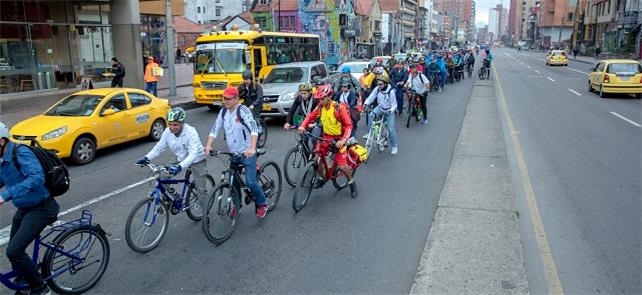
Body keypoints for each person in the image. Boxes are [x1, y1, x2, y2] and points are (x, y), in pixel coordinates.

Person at [0, 122, 59, 295]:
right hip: (25, 208)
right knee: (14, 249)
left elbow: (36, 178)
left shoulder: (21, 153)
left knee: (14, 251)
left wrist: (5, 195)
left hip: (42, 207)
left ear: (2, 141)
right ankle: (24, 278)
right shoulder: (2, 159)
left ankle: (40, 288)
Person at [205, 87, 268, 219]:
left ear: (236, 99)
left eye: (228, 99)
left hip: (247, 152)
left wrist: (252, 148)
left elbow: (254, 129)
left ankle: (262, 203)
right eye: (224, 98)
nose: (225, 101)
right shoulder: (223, 112)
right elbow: (215, 128)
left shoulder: (242, 110)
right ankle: (237, 205)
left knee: (250, 182)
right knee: (233, 182)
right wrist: (209, 145)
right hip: (234, 153)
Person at [136, 107, 208, 207]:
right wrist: (147, 157)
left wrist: (179, 166)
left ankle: (206, 214)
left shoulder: (191, 132)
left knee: (201, 190)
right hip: (180, 157)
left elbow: (193, 154)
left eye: (175, 125)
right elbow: (159, 147)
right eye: (170, 124)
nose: (172, 127)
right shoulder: (167, 132)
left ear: (182, 123)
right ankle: (173, 196)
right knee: (163, 176)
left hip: (196, 160)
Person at [297, 85, 357, 198]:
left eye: (322, 98)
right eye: (319, 98)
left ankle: (351, 183)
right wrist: (303, 126)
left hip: (339, 139)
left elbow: (349, 126)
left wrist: (343, 140)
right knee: (316, 158)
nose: (320, 101)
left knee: (343, 166)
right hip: (326, 137)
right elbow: (310, 116)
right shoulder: (320, 106)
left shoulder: (339, 108)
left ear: (329, 97)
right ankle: (322, 178)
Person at [364, 75, 399, 155]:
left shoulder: (391, 91)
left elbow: (394, 104)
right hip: (380, 108)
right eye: (378, 84)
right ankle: (369, 133)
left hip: (388, 110)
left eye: (381, 84)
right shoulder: (377, 89)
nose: (379, 86)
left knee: (391, 130)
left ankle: (394, 146)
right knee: (370, 115)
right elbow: (371, 97)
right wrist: (366, 104)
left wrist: (390, 111)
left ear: (386, 84)